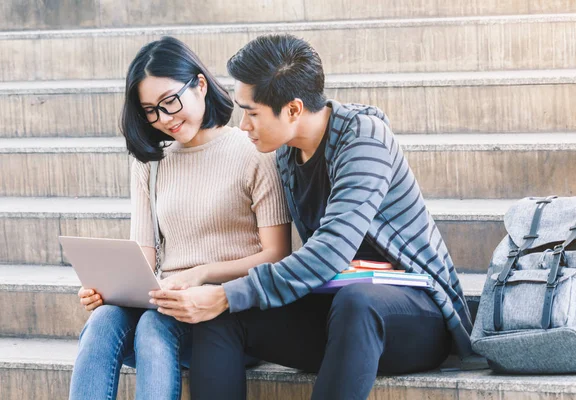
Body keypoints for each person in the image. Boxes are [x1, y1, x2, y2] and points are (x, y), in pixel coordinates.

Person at [150, 33, 473, 400]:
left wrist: (226, 293)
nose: (243, 125)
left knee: (356, 301)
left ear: (292, 109)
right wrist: (212, 288)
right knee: (222, 317)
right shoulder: (288, 155)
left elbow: (329, 252)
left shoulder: (366, 139)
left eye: (252, 112)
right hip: (339, 315)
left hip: (416, 318)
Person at [69, 36, 291, 400]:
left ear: (200, 85)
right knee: (103, 320)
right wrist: (106, 289)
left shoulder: (252, 152)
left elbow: (277, 254)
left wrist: (200, 274)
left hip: (230, 314)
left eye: (170, 102)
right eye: (150, 110)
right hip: (169, 301)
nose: (164, 119)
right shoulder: (150, 162)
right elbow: (144, 255)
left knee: (155, 326)